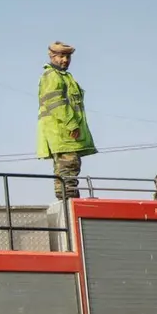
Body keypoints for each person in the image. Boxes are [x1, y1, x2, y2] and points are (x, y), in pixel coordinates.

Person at [35, 42, 95, 201]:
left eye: (67, 56)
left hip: (63, 134)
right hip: (63, 133)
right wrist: (71, 124)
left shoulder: (63, 76)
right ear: (52, 56)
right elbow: (56, 103)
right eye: (61, 56)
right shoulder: (52, 76)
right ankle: (69, 203)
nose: (65, 60)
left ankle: (68, 200)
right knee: (68, 169)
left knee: (66, 172)